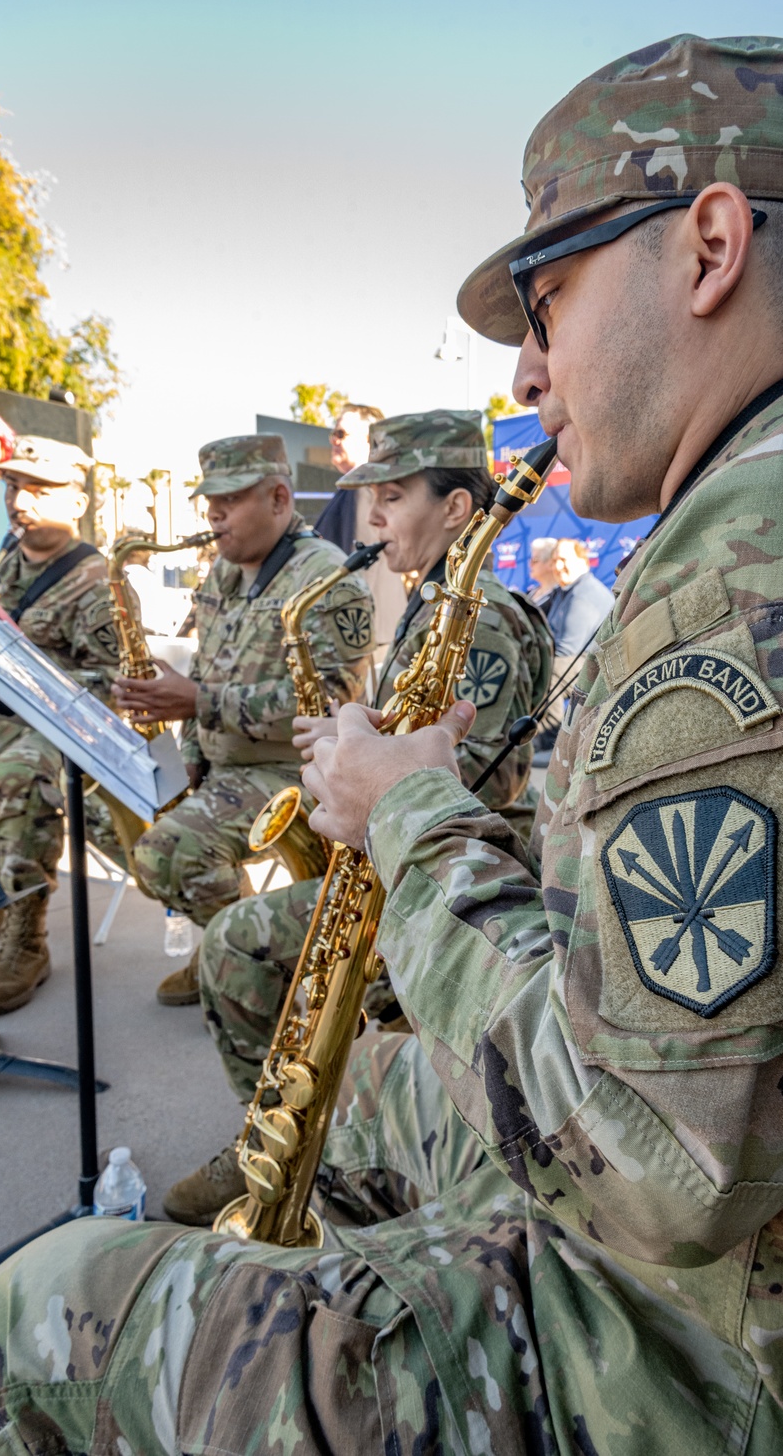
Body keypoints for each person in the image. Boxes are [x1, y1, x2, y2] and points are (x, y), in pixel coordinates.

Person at [0, 32, 783, 1455]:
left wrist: (409, 818)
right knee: (358, 1101)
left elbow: (651, 1161)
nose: (526, 371)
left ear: (711, 248)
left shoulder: (771, 559)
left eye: (548, 299)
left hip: (737, 1359)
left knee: (44, 1303)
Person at [161, 409, 553, 1225]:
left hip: (448, 882)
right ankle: (297, 1135)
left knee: (235, 948)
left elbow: (481, 783)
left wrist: (364, 764)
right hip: (402, 854)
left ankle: (288, 1146)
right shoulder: (428, 602)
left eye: (394, 496)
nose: (371, 518)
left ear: (456, 509)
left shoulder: (479, 617)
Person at [114, 433, 375, 1006]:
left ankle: (245, 950)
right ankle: (231, 944)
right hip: (227, 767)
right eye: (210, 502)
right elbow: (207, 673)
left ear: (279, 498)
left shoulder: (327, 578)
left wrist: (199, 702)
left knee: (167, 855)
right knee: (115, 822)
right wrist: (188, 759)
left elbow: (332, 705)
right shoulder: (222, 575)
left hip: (294, 773)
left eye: (230, 499)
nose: (213, 514)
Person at [0, 437, 124, 1014]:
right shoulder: (6, 559)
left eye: (39, 490)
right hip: (5, 716)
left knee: (17, 777)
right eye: (14, 487)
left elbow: (114, 686)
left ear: (77, 502)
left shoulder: (98, 581)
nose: (20, 501)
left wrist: (34, 674)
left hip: (63, 727)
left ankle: (28, 938)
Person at [314, 400, 408, 656]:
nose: (333, 440)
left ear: (369, 441)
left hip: (363, 634)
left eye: (341, 433)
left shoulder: (364, 490)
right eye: (333, 433)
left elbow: (362, 563)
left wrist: (349, 633)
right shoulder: (355, 488)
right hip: (364, 630)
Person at [533, 535, 614, 759]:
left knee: (550, 672)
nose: (559, 566)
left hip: (599, 664)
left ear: (583, 560)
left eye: (564, 559)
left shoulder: (583, 595)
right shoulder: (564, 591)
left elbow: (566, 649)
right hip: (578, 659)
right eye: (555, 561)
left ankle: (550, 741)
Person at [526, 533, 559, 604]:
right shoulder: (529, 594)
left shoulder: (561, 597)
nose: (530, 564)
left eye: (535, 560)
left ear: (551, 563)